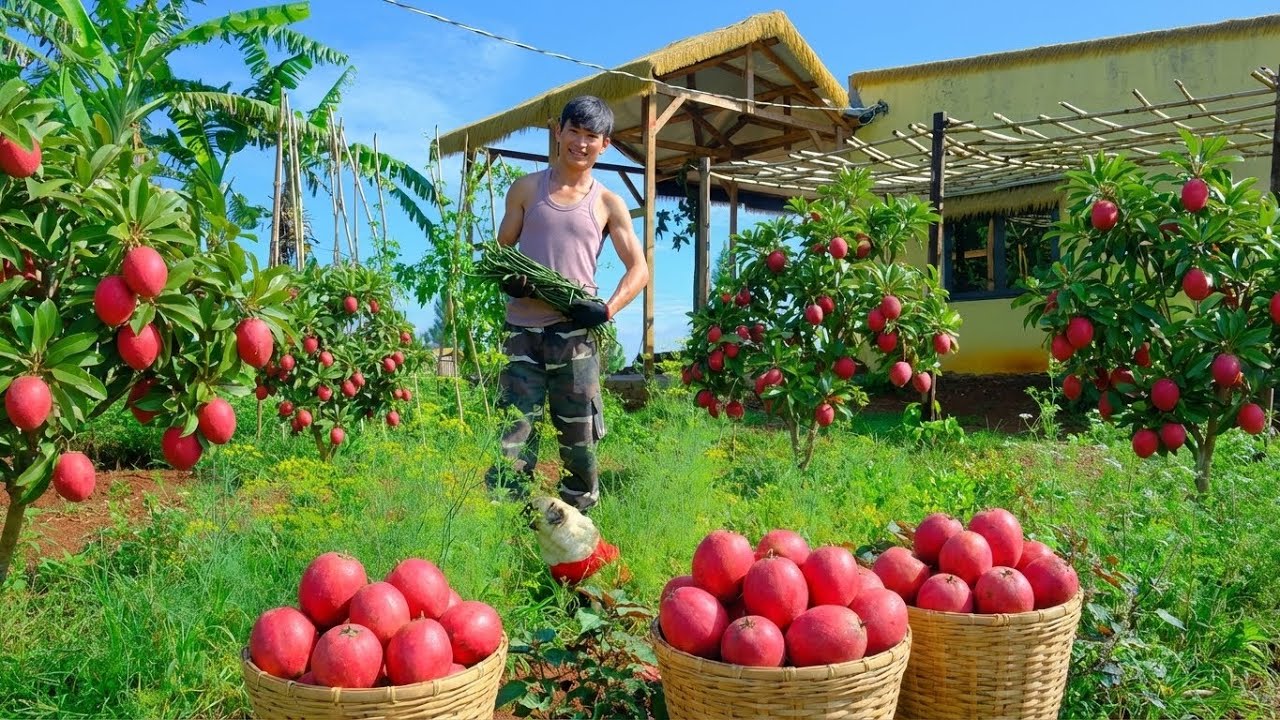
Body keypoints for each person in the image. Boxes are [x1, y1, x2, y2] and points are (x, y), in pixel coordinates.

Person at [484, 95, 648, 512]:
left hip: (575, 337)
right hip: (522, 334)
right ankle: (507, 523)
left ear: (604, 144)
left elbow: (639, 270)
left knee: (579, 439)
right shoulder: (524, 190)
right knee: (513, 434)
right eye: (573, 131)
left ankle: (577, 532)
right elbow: (500, 254)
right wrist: (512, 281)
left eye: (591, 136)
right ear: (558, 132)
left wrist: (606, 309)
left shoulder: (608, 203)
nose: (580, 142)